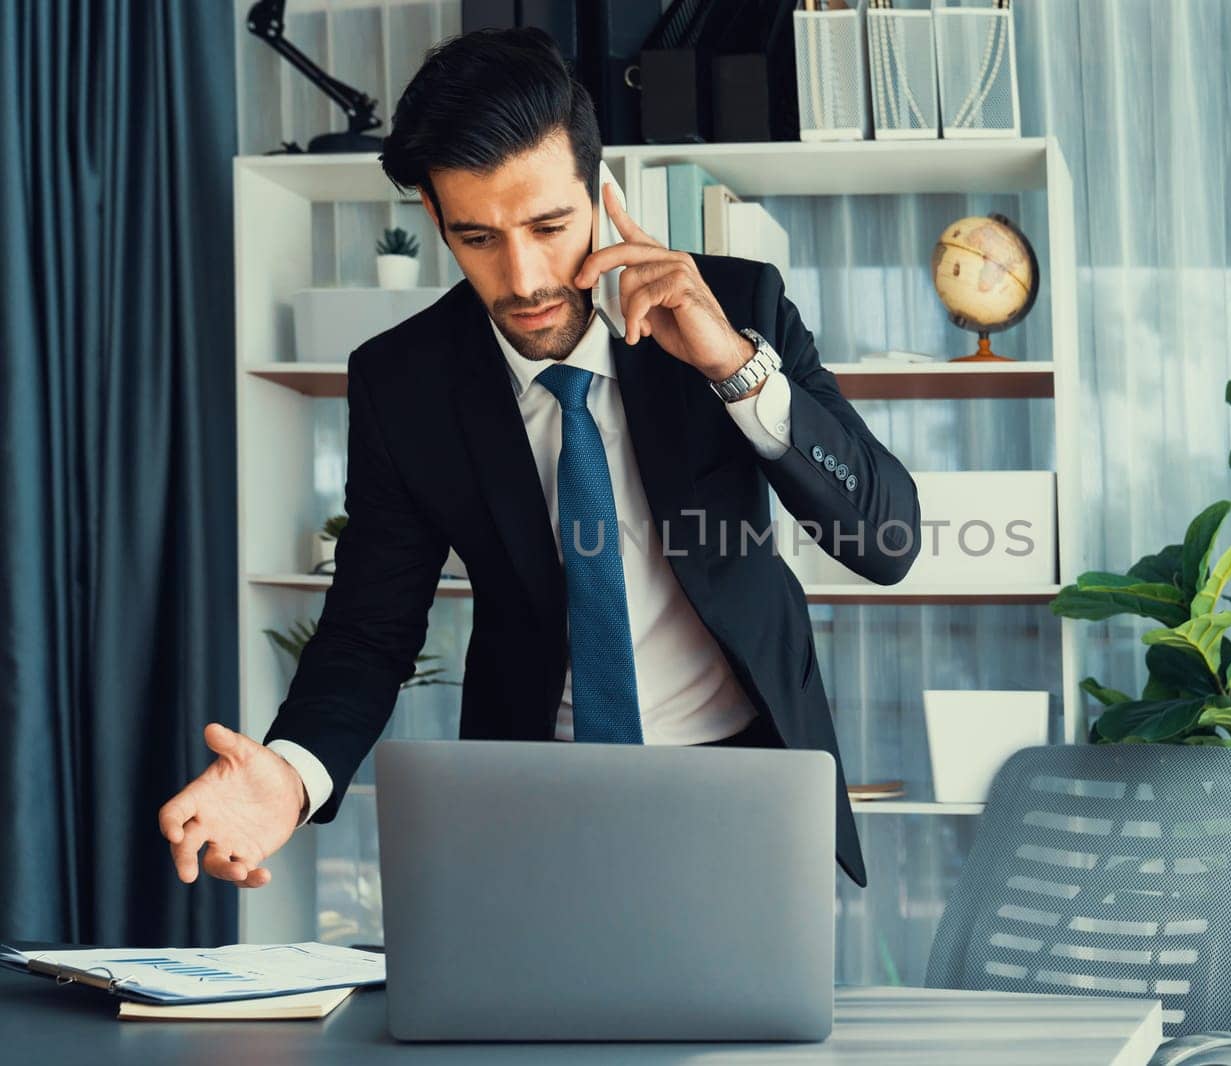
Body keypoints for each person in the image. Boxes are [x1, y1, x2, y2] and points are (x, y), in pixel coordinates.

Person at [158, 26, 919, 893]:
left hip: (746, 780)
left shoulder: (736, 304)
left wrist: (732, 368)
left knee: (745, 1029)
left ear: (601, 191)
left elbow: (886, 544)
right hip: (530, 790)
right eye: (479, 238)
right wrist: (293, 774)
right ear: (435, 219)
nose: (523, 279)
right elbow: (370, 629)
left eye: (550, 225)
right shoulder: (401, 383)